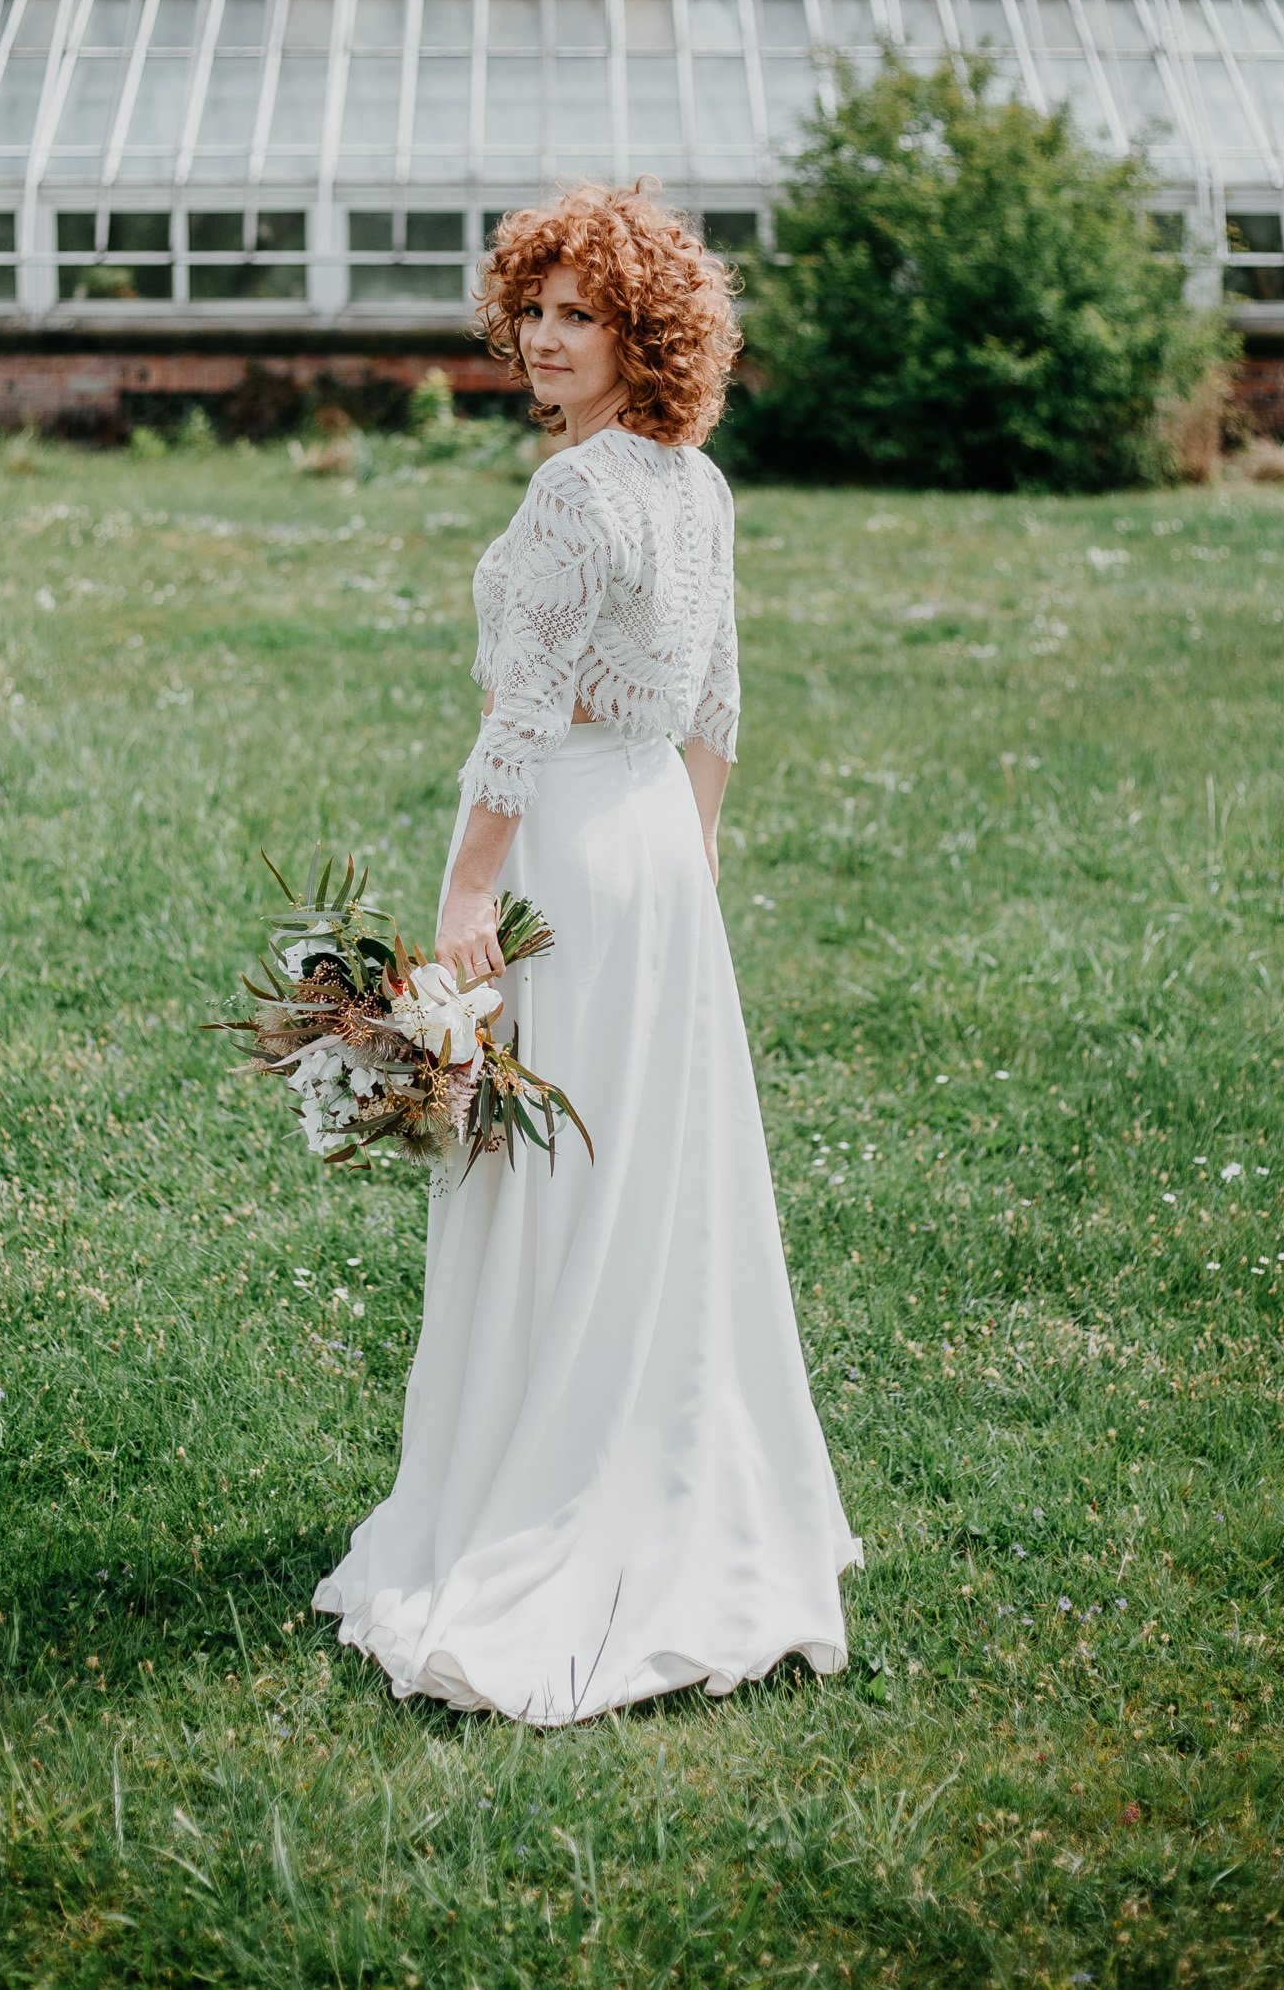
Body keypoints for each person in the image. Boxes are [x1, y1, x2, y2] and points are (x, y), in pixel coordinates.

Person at [314, 182, 858, 1722]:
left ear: (645, 334)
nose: (547, 339)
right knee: (648, 1181)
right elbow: (719, 712)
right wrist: (690, 866)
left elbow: (521, 721)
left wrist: (467, 902)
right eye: (535, 312)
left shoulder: (577, 497)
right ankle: (659, 1474)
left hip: (563, 851)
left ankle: (539, 1494)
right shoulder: (700, 484)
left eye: (583, 316)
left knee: (545, 1178)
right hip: (660, 860)